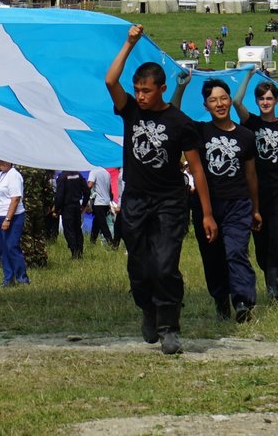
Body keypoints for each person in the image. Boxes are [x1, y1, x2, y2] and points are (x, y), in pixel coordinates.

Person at [105, 24, 212, 356]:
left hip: (170, 202)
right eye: (137, 90)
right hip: (135, 200)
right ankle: (147, 310)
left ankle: (169, 327)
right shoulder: (131, 111)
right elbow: (110, 81)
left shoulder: (181, 123)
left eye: (146, 91)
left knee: (165, 264)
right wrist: (129, 43)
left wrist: (207, 214)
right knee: (138, 266)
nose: (140, 96)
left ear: (162, 89)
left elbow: (197, 169)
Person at [184, 78, 260, 322]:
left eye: (224, 98)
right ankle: (220, 300)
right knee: (213, 256)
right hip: (206, 205)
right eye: (213, 100)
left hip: (238, 203)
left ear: (230, 100)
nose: (219, 104)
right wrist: (181, 86)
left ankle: (243, 302)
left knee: (236, 251)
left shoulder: (246, 136)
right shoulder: (199, 131)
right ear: (205, 105)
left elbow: (251, 175)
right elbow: (171, 113)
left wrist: (255, 209)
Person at [236, 71, 278, 301]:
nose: (265, 102)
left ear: (276, 100)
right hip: (254, 191)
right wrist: (248, 75)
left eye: (269, 98)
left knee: (276, 238)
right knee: (261, 241)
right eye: (261, 98)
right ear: (256, 101)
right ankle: (269, 276)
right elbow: (236, 102)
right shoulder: (250, 123)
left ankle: (274, 286)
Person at [0, 156, 27, 286]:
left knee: (11, 246)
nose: (1, 163)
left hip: (11, 215)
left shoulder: (14, 175)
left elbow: (15, 199)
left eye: (4, 160)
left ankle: (21, 277)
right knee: (2, 248)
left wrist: (8, 219)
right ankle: (8, 277)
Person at [54, 168, 89, 260]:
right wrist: (84, 205)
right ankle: (80, 252)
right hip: (77, 206)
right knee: (77, 229)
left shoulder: (62, 177)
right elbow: (87, 191)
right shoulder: (78, 175)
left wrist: (56, 209)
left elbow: (59, 195)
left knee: (69, 230)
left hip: (67, 207)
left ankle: (74, 253)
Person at [87, 164, 117, 250]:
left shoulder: (94, 171)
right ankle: (92, 243)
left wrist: (83, 190)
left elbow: (90, 185)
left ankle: (111, 244)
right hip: (106, 202)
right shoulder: (106, 173)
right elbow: (109, 189)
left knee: (103, 225)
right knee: (96, 223)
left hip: (98, 202)